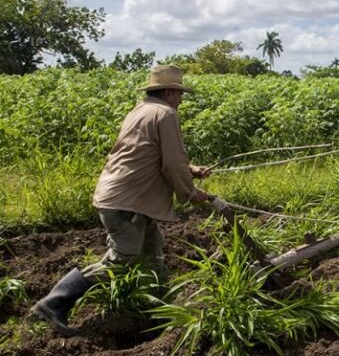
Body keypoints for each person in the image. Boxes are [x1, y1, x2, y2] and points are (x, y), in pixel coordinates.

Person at [31, 65, 211, 334]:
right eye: (180, 93)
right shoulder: (166, 114)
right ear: (170, 92)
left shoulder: (140, 111)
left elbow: (146, 155)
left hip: (123, 196)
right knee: (121, 259)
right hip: (128, 201)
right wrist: (191, 193)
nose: (181, 99)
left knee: (153, 254)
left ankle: (161, 313)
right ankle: (53, 303)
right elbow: (172, 164)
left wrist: (190, 169)